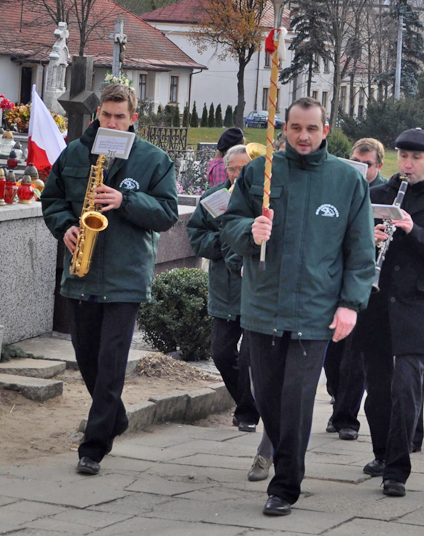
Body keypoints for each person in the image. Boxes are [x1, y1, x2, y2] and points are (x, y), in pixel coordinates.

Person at [221, 97, 375, 516]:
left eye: (311, 128)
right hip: (263, 305)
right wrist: (250, 231)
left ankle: (285, 484)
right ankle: (283, 462)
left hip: (315, 310)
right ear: (283, 129)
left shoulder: (347, 180)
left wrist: (350, 304)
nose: (303, 136)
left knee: (297, 399)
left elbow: (361, 251)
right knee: (266, 396)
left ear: (326, 130)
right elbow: (229, 227)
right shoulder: (260, 173)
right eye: (295, 128)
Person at [41, 83, 179, 475]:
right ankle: (114, 417)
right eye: (107, 115)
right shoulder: (74, 154)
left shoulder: (154, 159)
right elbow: (51, 200)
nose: (113, 122)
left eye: (121, 117)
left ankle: (94, 446)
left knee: (111, 362)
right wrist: (64, 226)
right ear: (97, 114)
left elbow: (168, 213)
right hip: (81, 273)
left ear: (134, 118)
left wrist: (125, 200)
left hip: (125, 276)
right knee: (87, 361)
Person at [358, 128, 424, 498]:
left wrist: (413, 230)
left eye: (416, 158)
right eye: (403, 156)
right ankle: (382, 454)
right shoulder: (375, 196)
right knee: (379, 389)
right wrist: (368, 238)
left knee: (406, 385)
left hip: (417, 304)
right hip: (376, 301)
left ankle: (397, 470)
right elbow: (347, 244)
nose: (408, 164)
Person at [187, 144, 260, 432]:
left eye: (243, 168)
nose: (237, 173)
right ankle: (247, 404)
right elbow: (196, 235)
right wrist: (221, 243)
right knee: (221, 352)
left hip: (253, 289)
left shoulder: (260, 197)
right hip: (224, 289)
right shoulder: (212, 197)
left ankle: (246, 413)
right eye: (232, 168)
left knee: (249, 358)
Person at [324, 138, 387, 440]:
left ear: (379, 166)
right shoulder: (341, 187)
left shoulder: (386, 195)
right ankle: (338, 400)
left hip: (367, 286)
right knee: (332, 356)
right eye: (354, 162)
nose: (360, 170)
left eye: (367, 165)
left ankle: (347, 418)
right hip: (334, 280)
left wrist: (373, 240)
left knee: (354, 357)